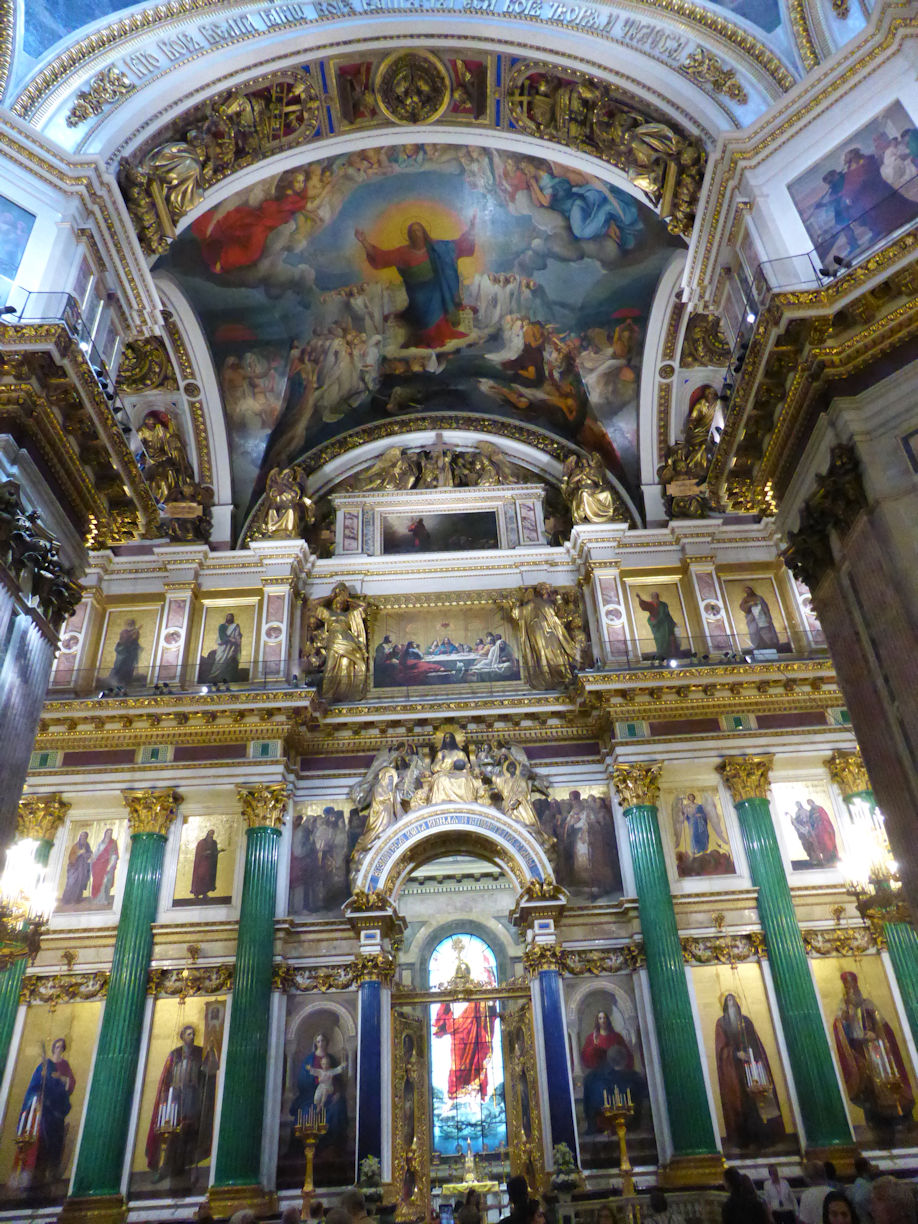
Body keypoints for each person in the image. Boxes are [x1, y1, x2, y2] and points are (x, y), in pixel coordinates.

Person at [355, 216, 476, 349]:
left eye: (418, 230)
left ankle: (438, 336)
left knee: (439, 297)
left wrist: (472, 229)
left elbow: (459, 245)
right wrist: (364, 241)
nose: (416, 233)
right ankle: (427, 337)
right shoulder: (402, 253)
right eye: (412, 231)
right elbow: (382, 258)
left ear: (424, 233)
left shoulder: (438, 248)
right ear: (409, 235)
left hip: (436, 288)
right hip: (417, 294)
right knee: (421, 313)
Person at [833, 970, 915, 1130]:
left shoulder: (868, 1004)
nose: (849, 989)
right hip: (859, 1052)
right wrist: (850, 1025)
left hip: (878, 1050)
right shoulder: (843, 1008)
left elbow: (881, 1025)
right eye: (846, 986)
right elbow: (841, 1030)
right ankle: (875, 1120)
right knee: (868, 1084)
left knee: (886, 1081)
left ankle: (898, 1117)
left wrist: (874, 1033)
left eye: (852, 985)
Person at [145, 1023, 216, 1183]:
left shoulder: (201, 1052)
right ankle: (166, 1168)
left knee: (191, 1132)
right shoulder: (174, 1054)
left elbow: (209, 1073)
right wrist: (164, 1097)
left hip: (193, 1097)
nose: (191, 1036)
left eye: (193, 1034)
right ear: (182, 1036)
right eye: (188, 1034)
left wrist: (211, 1053)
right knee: (172, 1132)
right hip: (175, 1098)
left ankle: (193, 1168)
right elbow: (166, 1078)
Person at [715, 992, 785, 1149]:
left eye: (733, 1001)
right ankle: (745, 1139)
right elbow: (721, 1048)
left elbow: (754, 1041)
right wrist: (735, 1053)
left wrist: (751, 1055)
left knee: (758, 1101)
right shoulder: (722, 1023)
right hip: (734, 1071)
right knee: (741, 1103)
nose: (731, 1004)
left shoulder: (745, 1021)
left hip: (753, 1066)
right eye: (729, 1002)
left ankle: (764, 1137)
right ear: (725, 1005)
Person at [11, 1037, 76, 1187]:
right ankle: (32, 1175)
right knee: (39, 1138)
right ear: (53, 1048)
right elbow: (34, 1086)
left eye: (61, 1047)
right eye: (57, 1046)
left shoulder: (64, 1066)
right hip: (43, 1110)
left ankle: (49, 1173)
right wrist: (38, 1097)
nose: (59, 1049)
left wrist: (63, 1079)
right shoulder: (44, 1066)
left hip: (56, 1111)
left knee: (54, 1141)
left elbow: (70, 1083)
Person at [290, 1033, 348, 1152]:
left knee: (338, 1108)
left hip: (331, 1094)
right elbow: (303, 1080)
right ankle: (307, 1149)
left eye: (323, 1041)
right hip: (311, 1095)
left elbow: (337, 1079)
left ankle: (332, 1147)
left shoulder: (331, 1059)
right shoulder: (309, 1060)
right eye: (319, 1041)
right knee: (306, 1112)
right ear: (316, 1043)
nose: (321, 1044)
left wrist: (337, 1093)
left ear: (327, 1043)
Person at [314, 583, 368, 703]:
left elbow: (364, 606)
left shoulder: (349, 615)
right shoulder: (328, 613)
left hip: (348, 641)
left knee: (346, 666)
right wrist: (330, 597)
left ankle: (346, 694)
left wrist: (347, 598)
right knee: (330, 668)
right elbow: (312, 605)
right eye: (337, 601)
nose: (339, 603)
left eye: (341, 602)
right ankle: (328, 694)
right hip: (333, 642)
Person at [636, 591, 679, 657]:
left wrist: (672, 622)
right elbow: (644, 605)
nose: (654, 597)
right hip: (657, 626)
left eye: (656, 596)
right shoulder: (650, 604)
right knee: (660, 639)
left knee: (670, 638)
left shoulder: (663, 604)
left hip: (666, 624)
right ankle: (661, 654)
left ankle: (671, 653)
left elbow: (667, 614)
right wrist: (639, 598)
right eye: (653, 596)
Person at [740, 586, 780, 650]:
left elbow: (765, 607)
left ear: (752, 590)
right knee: (753, 632)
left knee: (766, 631)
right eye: (746, 591)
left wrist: (767, 617)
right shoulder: (745, 599)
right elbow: (742, 607)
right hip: (752, 619)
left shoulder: (759, 597)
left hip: (761, 617)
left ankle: (770, 645)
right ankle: (756, 645)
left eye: (749, 590)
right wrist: (750, 604)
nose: (748, 592)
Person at [208, 613, 243, 683]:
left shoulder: (235, 626)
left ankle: (226, 677)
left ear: (233, 618)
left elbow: (238, 636)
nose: (229, 618)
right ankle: (214, 675)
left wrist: (237, 639)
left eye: (231, 617)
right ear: (226, 618)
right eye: (228, 617)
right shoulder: (222, 626)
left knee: (230, 659)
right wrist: (230, 639)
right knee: (219, 659)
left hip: (232, 647)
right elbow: (222, 635)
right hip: (223, 646)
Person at [190, 828, 223, 899]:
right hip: (202, 864)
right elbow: (199, 853)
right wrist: (205, 853)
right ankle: (196, 894)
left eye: (213, 834)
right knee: (200, 877)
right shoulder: (202, 842)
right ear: (207, 834)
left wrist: (219, 851)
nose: (211, 835)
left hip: (209, 864)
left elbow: (214, 852)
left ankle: (205, 894)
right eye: (210, 833)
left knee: (207, 879)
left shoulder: (214, 843)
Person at [61, 830, 92, 905]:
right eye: (81, 836)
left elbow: (90, 853)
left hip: (83, 868)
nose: (83, 838)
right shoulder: (75, 846)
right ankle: (67, 899)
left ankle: (76, 899)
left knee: (80, 883)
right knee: (71, 883)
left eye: (84, 836)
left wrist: (86, 854)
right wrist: (79, 853)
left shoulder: (87, 845)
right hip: (74, 868)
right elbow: (71, 856)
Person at [107, 618, 141, 686]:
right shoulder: (124, 631)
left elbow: (135, 639)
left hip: (131, 652)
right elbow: (124, 639)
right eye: (128, 623)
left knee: (130, 665)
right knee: (119, 664)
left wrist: (135, 633)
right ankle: (115, 679)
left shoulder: (136, 631)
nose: (130, 624)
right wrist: (133, 632)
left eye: (131, 623)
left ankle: (127, 681)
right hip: (123, 651)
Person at [89, 828, 119, 903]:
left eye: (110, 833)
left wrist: (111, 864)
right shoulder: (101, 843)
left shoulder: (113, 843)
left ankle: (104, 899)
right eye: (107, 832)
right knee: (97, 881)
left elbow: (115, 855)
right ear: (105, 833)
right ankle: (96, 898)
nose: (109, 834)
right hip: (98, 864)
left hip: (106, 864)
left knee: (105, 882)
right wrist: (92, 858)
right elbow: (97, 851)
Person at [851, 1157, 877, 1224]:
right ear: (866, 1167)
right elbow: (860, 1200)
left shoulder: (857, 1184)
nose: (871, 1167)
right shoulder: (864, 1185)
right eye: (869, 1165)